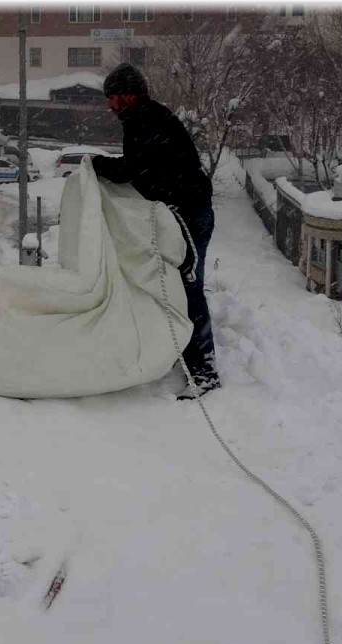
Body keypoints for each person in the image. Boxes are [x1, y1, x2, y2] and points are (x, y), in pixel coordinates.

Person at [90, 63, 219, 399]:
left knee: (189, 286)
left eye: (114, 97)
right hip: (182, 211)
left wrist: (96, 164)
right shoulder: (143, 118)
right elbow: (144, 168)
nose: (110, 105)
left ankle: (205, 372)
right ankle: (184, 350)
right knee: (178, 283)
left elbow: (133, 170)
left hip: (191, 213)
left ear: (130, 94)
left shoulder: (147, 120)